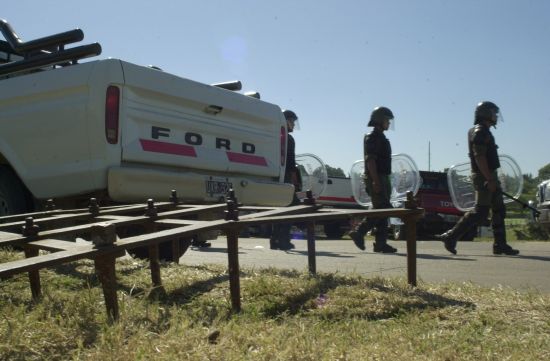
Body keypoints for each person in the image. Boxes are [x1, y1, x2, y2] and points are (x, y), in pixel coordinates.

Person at [436, 101, 519, 256]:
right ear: (486, 114)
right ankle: (451, 236)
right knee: (480, 211)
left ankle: (500, 244)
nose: (495, 116)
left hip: (488, 175)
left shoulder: (482, 131)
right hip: (484, 177)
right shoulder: (480, 131)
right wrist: (490, 179)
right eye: (493, 113)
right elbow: (479, 156)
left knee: (499, 209)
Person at [348, 106, 397, 253]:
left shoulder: (380, 137)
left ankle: (381, 243)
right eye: (387, 120)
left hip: (382, 177)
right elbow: (370, 161)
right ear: (380, 120)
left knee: (382, 210)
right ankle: (359, 232)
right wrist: (375, 181)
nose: (389, 123)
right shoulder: (373, 137)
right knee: (382, 209)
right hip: (377, 177)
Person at [270, 109, 302, 250]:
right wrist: (295, 182)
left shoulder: (274, 136)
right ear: (285, 121)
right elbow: (290, 163)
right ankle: (283, 240)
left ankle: (274, 240)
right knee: (292, 208)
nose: (293, 125)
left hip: (275, 177)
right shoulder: (288, 139)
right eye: (292, 122)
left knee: (279, 209)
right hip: (286, 177)